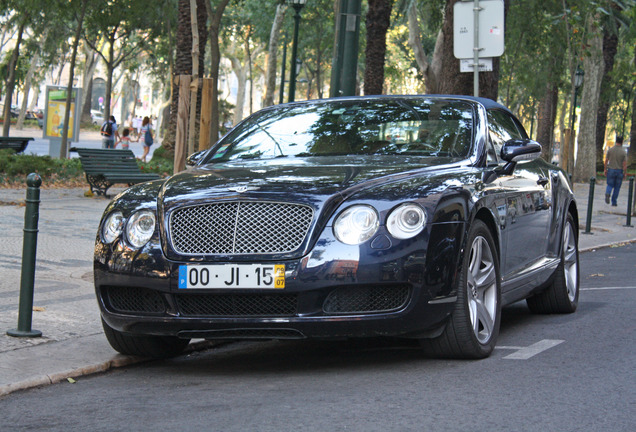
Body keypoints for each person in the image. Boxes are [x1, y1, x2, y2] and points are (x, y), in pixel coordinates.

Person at [604, 135, 627, 207]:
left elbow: (606, 160)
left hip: (611, 169)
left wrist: (605, 169)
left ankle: (608, 193)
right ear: (622, 142)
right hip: (619, 170)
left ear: (616, 141)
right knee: (617, 187)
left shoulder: (610, 150)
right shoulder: (623, 151)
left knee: (610, 184)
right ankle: (614, 202)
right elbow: (624, 164)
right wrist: (625, 173)